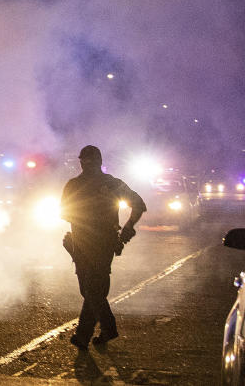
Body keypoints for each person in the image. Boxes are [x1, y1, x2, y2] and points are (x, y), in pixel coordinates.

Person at [61, 145, 146, 350]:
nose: (86, 165)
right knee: (90, 291)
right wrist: (126, 228)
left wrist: (127, 229)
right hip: (85, 244)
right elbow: (65, 213)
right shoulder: (106, 184)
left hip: (99, 244)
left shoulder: (95, 184)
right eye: (85, 161)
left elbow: (139, 204)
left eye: (88, 161)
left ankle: (83, 335)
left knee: (93, 289)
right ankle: (108, 328)